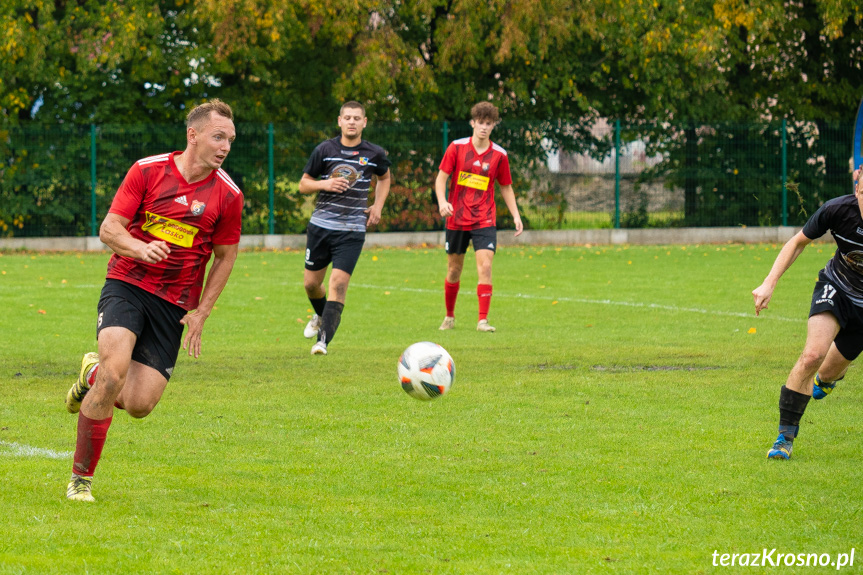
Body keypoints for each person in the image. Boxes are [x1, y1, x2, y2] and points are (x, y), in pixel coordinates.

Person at [64, 99, 244, 501]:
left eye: (230, 139)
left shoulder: (229, 195)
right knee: (115, 373)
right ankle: (81, 480)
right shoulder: (148, 171)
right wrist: (138, 249)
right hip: (127, 283)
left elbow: (226, 256)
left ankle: (89, 376)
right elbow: (110, 228)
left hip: (175, 303)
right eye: (218, 137)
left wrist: (202, 313)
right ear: (192, 136)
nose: (225, 146)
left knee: (140, 404)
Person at [753, 166, 863, 460]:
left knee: (827, 372)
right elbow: (797, 242)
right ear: (857, 190)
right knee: (813, 355)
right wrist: (768, 283)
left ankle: (827, 380)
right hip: (836, 288)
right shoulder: (837, 210)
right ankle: (783, 439)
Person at [299, 101, 392, 355]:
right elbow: (303, 184)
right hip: (320, 227)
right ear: (339, 121)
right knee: (311, 284)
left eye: (357, 118)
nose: (352, 122)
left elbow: (384, 177)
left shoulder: (374, 153)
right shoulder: (324, 149)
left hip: (352, 230)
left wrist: (377, 206)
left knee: (338, 284)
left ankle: (322, 341)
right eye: (347, 117)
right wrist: (324, 185)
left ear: (364, 122)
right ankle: (320, 316)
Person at [434, 101, 523, 332]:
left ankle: (482, 320)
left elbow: (506, 186)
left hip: (484, 219)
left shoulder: (499, 155)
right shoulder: (456, 147)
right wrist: (443, 202)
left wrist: (516, 215)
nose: (484, 127)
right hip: (456, 218)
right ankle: (450, 317)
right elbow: (441, 178)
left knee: (486, 266)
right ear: (473, 123)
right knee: (454, 270)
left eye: (489, 123)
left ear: (493, 125)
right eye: (480, 123)